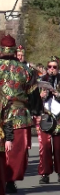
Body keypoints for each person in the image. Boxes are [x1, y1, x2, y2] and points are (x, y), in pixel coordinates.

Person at [0, 35, 42, 193]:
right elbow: (33, 94)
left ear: (1, 49)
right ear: (14, 50)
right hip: (19, 115)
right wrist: (37, 112)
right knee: (17, 150)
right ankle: (10, 180)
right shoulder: (26, 70)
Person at [37, 56, 60, 184]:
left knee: (58, 147)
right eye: (49, 67)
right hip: (45, 115)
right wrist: (41, 96)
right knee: (44, 147)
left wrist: (58, 94)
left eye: (54, 67)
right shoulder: (41, 80)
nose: (51, 69)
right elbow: (34, 100)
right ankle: (45, 173)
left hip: (59, 116)